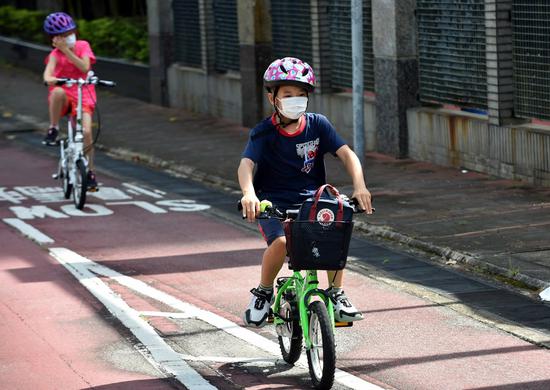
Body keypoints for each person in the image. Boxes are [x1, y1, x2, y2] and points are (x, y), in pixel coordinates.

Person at [238, 57, 374, 327]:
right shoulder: (263, 133)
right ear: (273, 98)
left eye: (301, 94)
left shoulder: (318, 124)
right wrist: (249, 194)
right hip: (273, 202)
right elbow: (246, 164)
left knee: (336, 233)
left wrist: (360, 185)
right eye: (288, 94)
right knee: (281, 243)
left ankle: (336, 295)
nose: (296, 100)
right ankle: (264, 292)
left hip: (312, 201)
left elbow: (347, 155)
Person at [42, 12, 99, 191]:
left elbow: (84, 67)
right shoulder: (54, 55)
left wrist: (67, 50)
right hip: (64, 97)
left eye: (69, 33)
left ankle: (90, 172)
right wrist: (52, 79)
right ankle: (53, 128)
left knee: (87, 132)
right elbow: (47, 75)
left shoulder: (83, 46)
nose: (68, 37)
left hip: (84, 95)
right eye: (63, 35)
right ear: (55, 38)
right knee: (57, 92)